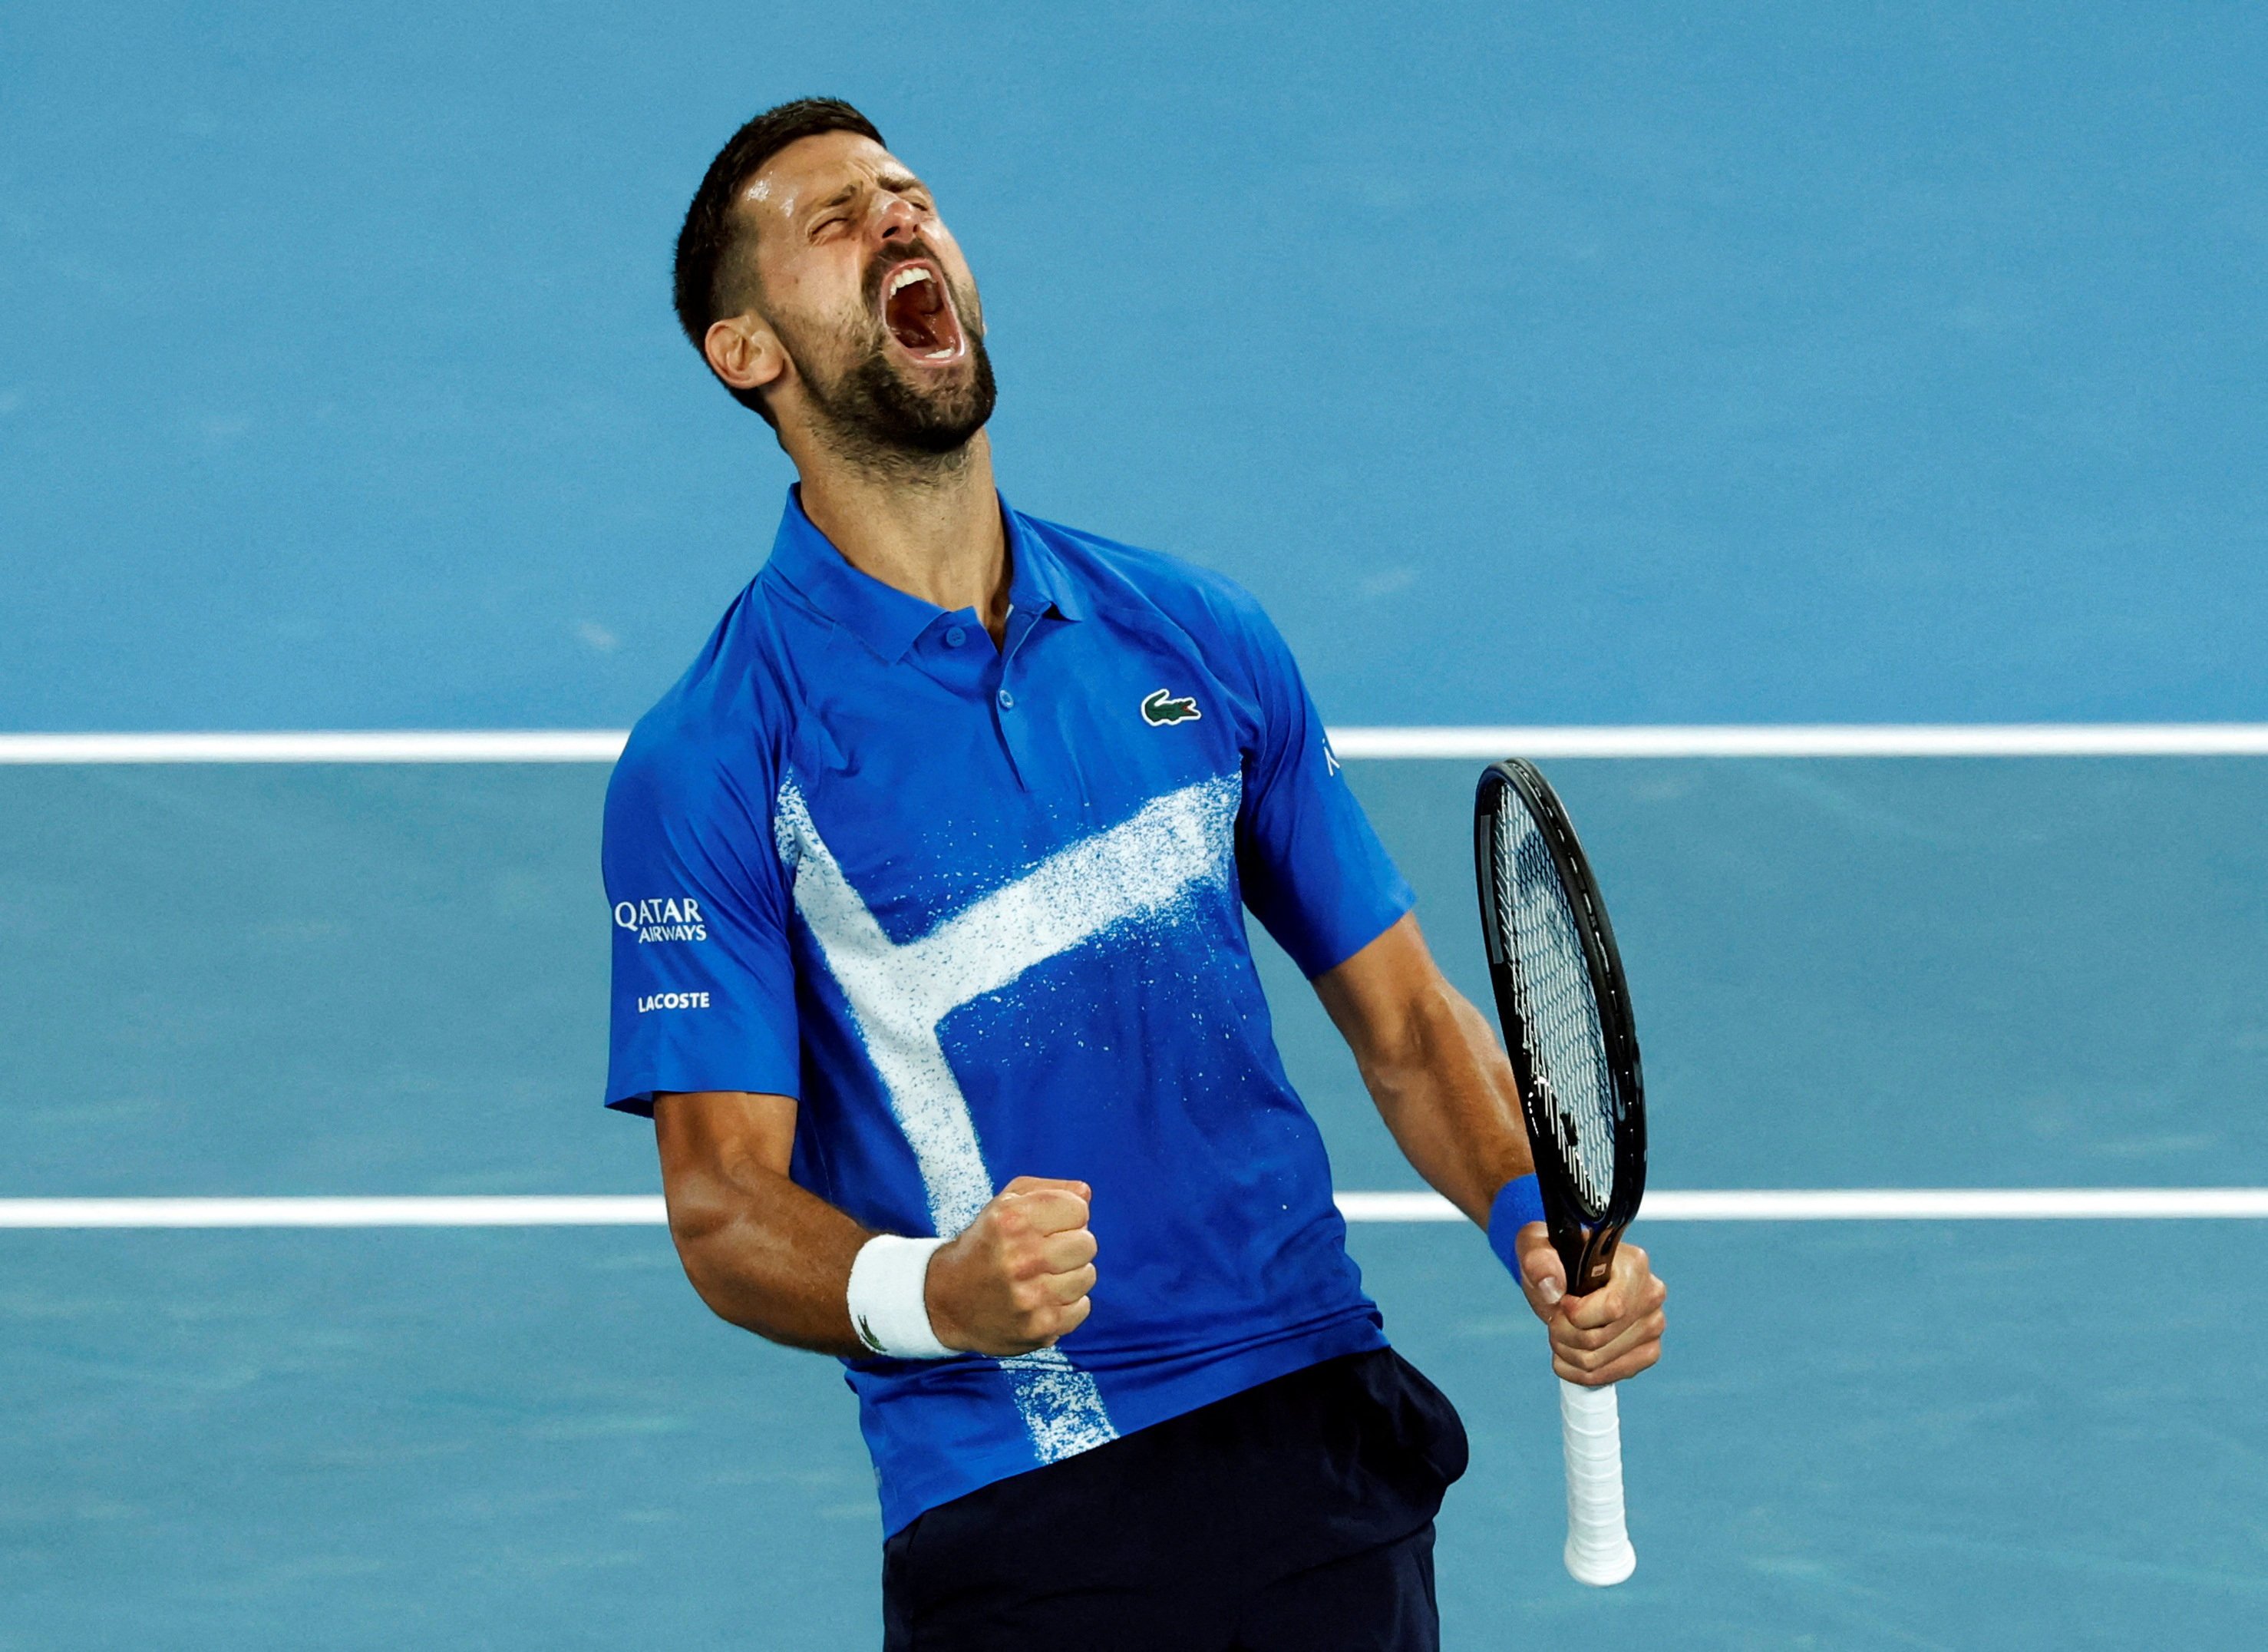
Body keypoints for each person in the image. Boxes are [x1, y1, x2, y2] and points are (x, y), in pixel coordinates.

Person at [602, 97, 1667, 1650]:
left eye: (908, 195)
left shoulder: (1194, 635)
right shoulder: (716, 759)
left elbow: (1407, 1021)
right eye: (834, 219)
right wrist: (937, 1293)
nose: (897, 219)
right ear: (745, 350)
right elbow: (722, 1208)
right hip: (1029, 1495)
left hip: (1315, 1436)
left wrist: (1528, 1213)